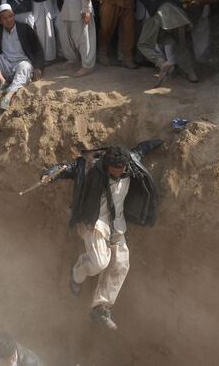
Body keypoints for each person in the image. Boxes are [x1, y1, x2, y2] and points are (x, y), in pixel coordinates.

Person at [40, 139, 162, 330]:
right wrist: (49, 175)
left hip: (117, 223)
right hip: (94, 221)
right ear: (106, 166)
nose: (116, 174)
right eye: (112, 171)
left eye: (119, 171)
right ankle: (76, 273)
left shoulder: (131, 163)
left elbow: (141, 149)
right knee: (99, 262)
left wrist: (161, 139)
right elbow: (67, 168)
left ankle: (100, 307)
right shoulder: (90, 167)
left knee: (122, 264)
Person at [0, 4, 44, 109]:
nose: (8, 20)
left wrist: (38, 67)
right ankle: (3, 82)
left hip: (21, 64)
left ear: (14, 16)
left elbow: (38, 49)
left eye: (10, 16)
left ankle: (9, 95)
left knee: (26, 67)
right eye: (4, 18)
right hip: (6, 65)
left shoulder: (25, 28)